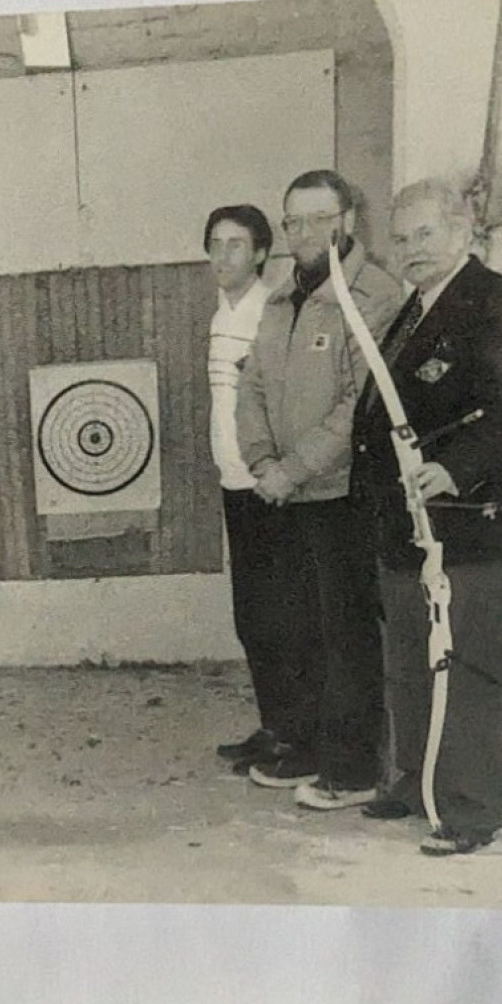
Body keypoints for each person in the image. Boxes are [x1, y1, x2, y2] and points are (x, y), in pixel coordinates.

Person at [353, 178, 502, 856]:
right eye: (400, 239)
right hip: (405, 525)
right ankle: (416, 780)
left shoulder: (495, 303)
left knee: (466, 664)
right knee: (408, 660)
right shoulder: (413, 310)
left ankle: (469, 807)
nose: (410, 250)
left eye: (424, 234)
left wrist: (452, 469)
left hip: (465, 521)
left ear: (461, 233)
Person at [235, 169, 404, 808]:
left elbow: (359, 406)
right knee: (297, 631)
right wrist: (261, 463)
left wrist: (292, 469)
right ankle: (307, 749)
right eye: (294, 222)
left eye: (319, 219)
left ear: (349, 222)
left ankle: (355, 768)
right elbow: (251, 387)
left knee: (347, 637)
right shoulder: (283, 297)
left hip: (340, 497)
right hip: (284, 493)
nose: (305, 233)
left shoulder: (374, 296)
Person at [201, 205, 290, 773]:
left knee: (279, 618)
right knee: (251, 619)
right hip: (233, 484)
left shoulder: (270, 313)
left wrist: (268, 472)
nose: (223, 255)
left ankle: (293, 736)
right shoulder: (220, 315)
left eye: (236, 244)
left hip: (266, 488)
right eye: (215, 243)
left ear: (260, 254)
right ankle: (273, 725)